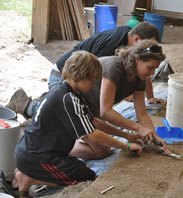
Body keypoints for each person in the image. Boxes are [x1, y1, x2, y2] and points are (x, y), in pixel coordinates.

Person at [13, 51, 142, 197]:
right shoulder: (67, 99)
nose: (94, 84)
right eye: (92, 80)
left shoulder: (68, 93)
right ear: (81, 76)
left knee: (85, 169)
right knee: (86, 179)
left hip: (36, 152)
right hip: (38, 157)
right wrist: (126, 146)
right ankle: (28, 178)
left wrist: (125, 135)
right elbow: (94, 135)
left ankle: (29, 174)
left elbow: (94, 122)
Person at [6, 22, 165, 119]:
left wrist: (150, 96)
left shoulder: (132, 44)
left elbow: (145, 72)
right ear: (137, 40)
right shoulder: (113, 47)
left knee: (83, 116)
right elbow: (90, 75)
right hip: (64, 74)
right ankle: (28, 105)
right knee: (64, 114)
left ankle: (37, 105)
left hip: (79, 79)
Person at [77, 39, 169, 152]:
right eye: (150, 68)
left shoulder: (140, 78)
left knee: (107, 140)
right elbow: (106, 112)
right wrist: (138, 128)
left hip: (93, 110)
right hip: (75, 107)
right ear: (137, 59)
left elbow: (142, 113)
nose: (152, 73)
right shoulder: (114, 68)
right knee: (102, 150)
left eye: (155, 69)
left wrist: (155, 138)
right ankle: (68, 145)